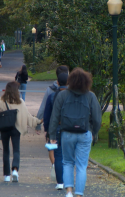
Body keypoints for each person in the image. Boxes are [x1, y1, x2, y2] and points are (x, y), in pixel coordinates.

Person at [49, 68, 101, 197]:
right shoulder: (91, 96)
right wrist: (94, 131)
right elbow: (97, 118)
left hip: (67, 133)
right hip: (84, 132)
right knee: (82, 165)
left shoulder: (63, 95)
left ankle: (69, 191)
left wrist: (52, 135)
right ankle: (79, 194)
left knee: (67, 162)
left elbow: (54, 116)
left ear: (69, 80)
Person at [0, 81, 43, 183]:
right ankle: (15, 170)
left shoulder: (1, 100)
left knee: (6, 151)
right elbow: (28, 116)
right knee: (16, 150)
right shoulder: (21, 102)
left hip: (4, 128)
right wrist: (38, 122)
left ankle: (6, 175)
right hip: (16, 128)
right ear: (16, 91)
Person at [35, 65, 69, 175]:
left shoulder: (50, 90)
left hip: (53, 126)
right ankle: (63, 172)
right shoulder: (72, 92)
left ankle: (55, 167)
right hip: (68, 125)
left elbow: (43, 108)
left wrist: (39, 124)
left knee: (52, 149)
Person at [43, 73, 68, 190]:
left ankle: (60, 182)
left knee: (58, 155)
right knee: (68, 155)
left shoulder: (52, 96)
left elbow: (47, 115)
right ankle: (70, 180)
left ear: (57, 83)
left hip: (56, 127)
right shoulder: (72, 96)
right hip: (69, 127)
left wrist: (47, 131)